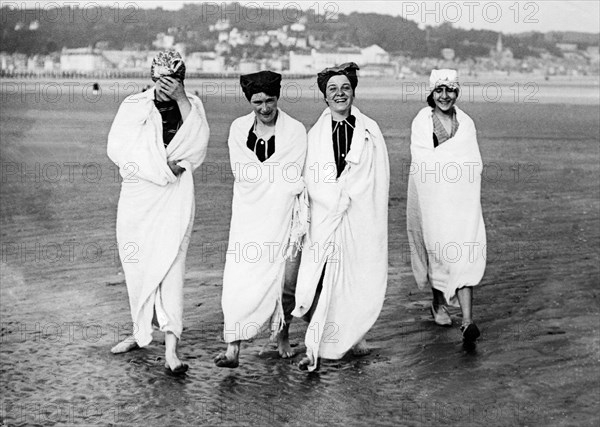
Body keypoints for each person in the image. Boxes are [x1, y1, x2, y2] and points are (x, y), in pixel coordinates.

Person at [107, 50, 210, 374]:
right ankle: (140, 333)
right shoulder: (133, 105)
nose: (167, 85)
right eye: (162, 79)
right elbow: (120, 151)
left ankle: (171, 349)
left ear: (182, 80)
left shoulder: (192, 105)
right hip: (139, 197)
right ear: (152, 79)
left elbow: (198, 144)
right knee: (137, 266)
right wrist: (160, 168)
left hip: (175, 198)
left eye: (174, 80)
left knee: (172, 267)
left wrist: (181, 99)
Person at [292, 63, 390, 371]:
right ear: (324, 96)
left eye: (345, 88)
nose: (339, 94)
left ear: (353, 91)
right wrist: (330, 200)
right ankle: (322, 335)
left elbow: (378, 177)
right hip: (325, 216)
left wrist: (358, 201)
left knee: (358, 275)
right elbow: (309, 178)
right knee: (319, 277)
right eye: (332, 89)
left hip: (359, 215)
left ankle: (354, 333)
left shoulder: (369, 131)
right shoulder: (314, 135)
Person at [214, 71, 308, 368]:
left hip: (285, 215)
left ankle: (281, 334)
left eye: (270, 101)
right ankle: (233, 348)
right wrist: (268, 181)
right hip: (248, 216)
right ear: (249, 101)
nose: (265, 108)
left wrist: (272, 182)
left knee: (286, 281)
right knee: (239, 278)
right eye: (258, 102)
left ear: (278, 98)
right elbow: (243, 173)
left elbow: (292, 174)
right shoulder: (238, 128)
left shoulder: (294, 130)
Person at [406, 69, 486, 343]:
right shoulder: (422, 121)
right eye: (439, 90)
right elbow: (423, 161)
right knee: (438, 251)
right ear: (431, 93)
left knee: (464, 251)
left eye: (450, 90)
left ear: (457, 93)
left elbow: (473, 163)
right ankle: (438, 303)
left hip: (461, 200)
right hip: (430, 197)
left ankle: (467, 321)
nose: (444, 96)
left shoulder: (466, 123)